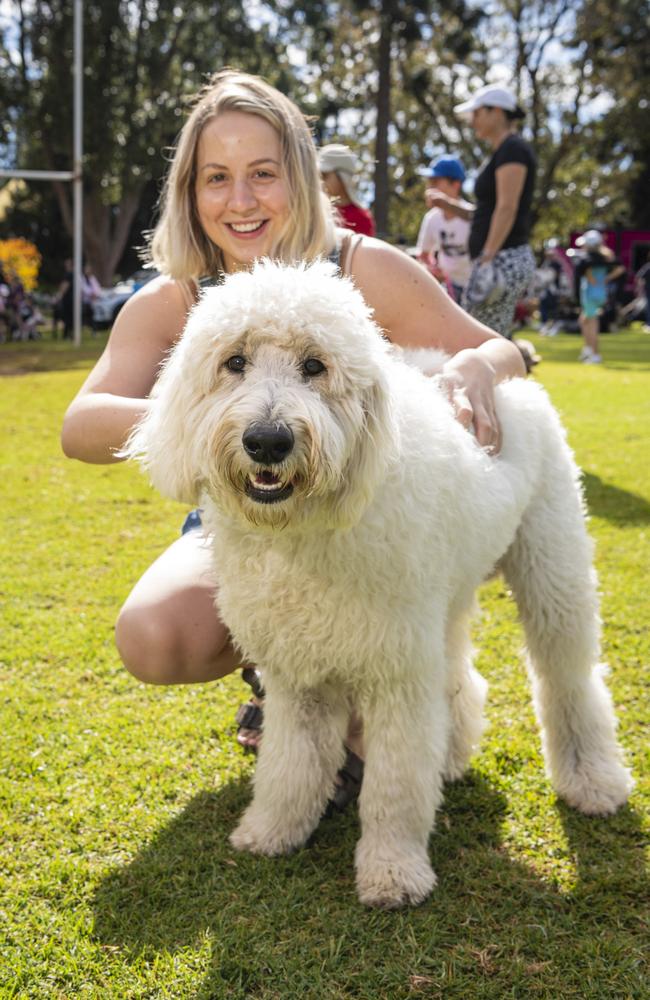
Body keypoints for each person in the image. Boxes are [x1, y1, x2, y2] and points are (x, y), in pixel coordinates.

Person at [61, 69, 525, 794]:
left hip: (371, 520)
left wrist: (476, 365)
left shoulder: (361, 266)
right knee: (155, 635)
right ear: (190, 191)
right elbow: (80, 426)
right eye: (216, 178)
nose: (240, 201)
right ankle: (278, 675)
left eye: (262, 174)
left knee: (381, 731)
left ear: (302, 179)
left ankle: (399, 678)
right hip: (248, 518)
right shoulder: (175, 294)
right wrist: (206, 414)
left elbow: (510, 350)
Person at [426, 84, 537, 339]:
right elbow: (485, 213)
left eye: (477, 114)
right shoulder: (503, 151)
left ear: (496, 111)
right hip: (497, 257)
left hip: (502, 257)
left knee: (480, 339)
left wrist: (487, 257)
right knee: (487, 335)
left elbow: (507, 207)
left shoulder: (513, 149)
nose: (473, 122)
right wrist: (448, 204)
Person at [416, 155, 472, 302]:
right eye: (429, 182)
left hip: (475, 287)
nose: (430, 187)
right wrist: (432, 268)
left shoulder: (471, 216)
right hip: (448, 288)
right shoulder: (431, 218)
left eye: (436, 181)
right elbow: (423, 255)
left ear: (456, 184)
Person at [573, 230, 625, 364]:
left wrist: (600, 278)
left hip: (590, 294)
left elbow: (583, 273)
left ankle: (594, 353)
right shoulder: (605, 258)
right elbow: (620, 268)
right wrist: (607, 278)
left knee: (592, 322)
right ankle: (587, 349)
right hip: (600, 293)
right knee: (584, 320)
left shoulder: (587, 259)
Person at [317, 144, 376, 236]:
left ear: (343, 177)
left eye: (325, 176)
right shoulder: (317, 212)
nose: (320, 182)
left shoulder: (361, 218)